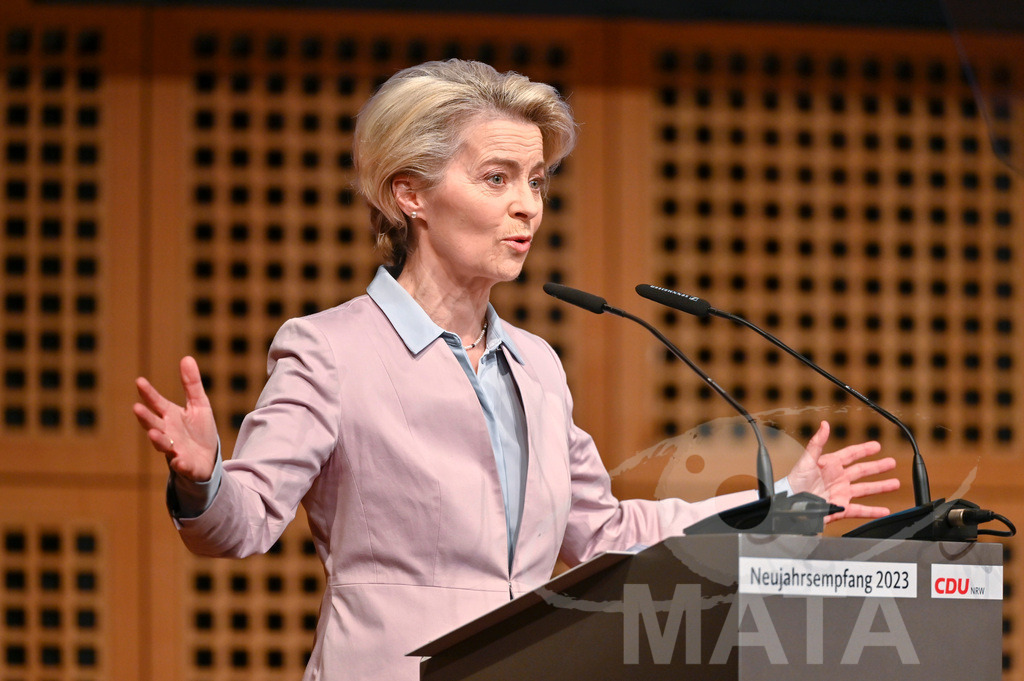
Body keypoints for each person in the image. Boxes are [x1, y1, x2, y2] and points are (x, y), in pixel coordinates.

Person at [133, 60, 899, 681]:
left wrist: (779, 508)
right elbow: (243, 524)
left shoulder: (537, 365)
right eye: (497, 178)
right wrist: (203, 478)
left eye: (536, 181)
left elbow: (606, 533)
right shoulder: (331, 350)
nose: (528, 206)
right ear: (410, 193)